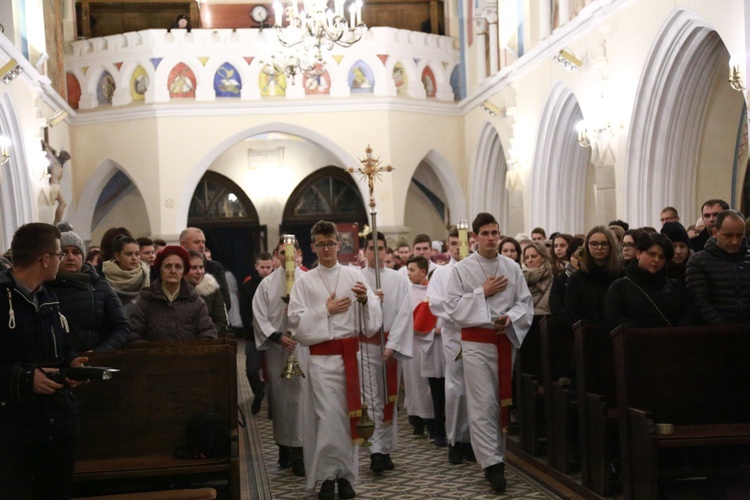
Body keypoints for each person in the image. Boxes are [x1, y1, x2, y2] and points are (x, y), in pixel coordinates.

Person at [287, 220, 381, 500]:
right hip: (322, 360)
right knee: (328, 419)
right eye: (321, 244)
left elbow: (371, 321)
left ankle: (346, 477)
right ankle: (328, 476)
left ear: (339, 245)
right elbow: (295, 324)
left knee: (350, 416)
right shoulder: (305, 282)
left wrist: (366, 301)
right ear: (313, 247)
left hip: (351, 357)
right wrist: (324, 310)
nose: (326, 248)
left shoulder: (355, 276)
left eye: (331, 243)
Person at [445, 212, 534, 493]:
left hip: (504, 340)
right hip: (476, 344)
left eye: (495, 232)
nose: (491, 238)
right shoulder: (462, 269)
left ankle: (497, 455)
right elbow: (452, 308)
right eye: (485, 234)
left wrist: (509, 317)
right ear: (474, 237)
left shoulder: (511, 266)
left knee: (500, 401)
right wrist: (482, 292)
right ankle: (492, 465)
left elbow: (525, 303)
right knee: (482, 403)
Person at [0, 223, 89, 498]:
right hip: (13, 429)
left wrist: (71, 365)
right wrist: (25, 379)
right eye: (60, 254)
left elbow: (63, 347)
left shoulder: (48, 295)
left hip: (57, 425)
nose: (62, 260)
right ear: (45, 259)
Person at [253, 238, 308, 476]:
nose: (287, 258)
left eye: (291, 253)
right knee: (280, 400)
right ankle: (284, 448)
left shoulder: (307, 281)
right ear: (276, 255)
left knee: (302, 401)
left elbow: (317, 311)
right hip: (278, 350)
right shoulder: (266, 285)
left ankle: (301, 452)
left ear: (297, 254)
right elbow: (259, 317)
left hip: (303, 347)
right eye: (282, 253)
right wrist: (277, 337)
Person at [360, 231, 413, 474]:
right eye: (371, 247)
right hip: (367, 346)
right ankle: (375, 451)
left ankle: (387, 447)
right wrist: (369, 301)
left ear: (386, 251)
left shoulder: (399, 279)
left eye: (380, 248)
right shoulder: (357, 278)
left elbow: (405, 313)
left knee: (389, 399)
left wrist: (393, 344)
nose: (376, 252)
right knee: (371, 400)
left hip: (391, 345)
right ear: (364, 251)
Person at [427, 226, 475, 465]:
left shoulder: (477, 269)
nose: (458, 247)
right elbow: (435, 304)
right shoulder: (441, 273)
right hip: (454, 333)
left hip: (478, 333)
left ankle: (473, 441)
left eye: (462, 242)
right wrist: (462, 311)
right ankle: (455, 439)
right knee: (456, 386)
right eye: (454, 243)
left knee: (478, 387)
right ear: (448, 245)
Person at [48, 231, 130, 353]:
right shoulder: (46, 288)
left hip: (96, 359)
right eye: (64, 253)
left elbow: (122, 328)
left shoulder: (100, 286)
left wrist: (100, 352)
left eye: (76, 253)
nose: (71, 258)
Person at [604, 233, 692, 330]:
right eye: (652, 254)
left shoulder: (676, 286)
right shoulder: (620, 287)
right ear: (638, 254)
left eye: (661, 257)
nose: (656, 260)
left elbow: (690, 315)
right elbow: (613, 318)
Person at [129, 246, 217, 341]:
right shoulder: (145, 301)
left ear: (184, 272)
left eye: (178, 267)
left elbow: (207, 333)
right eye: (168, 266)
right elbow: (134, 335)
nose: (173, 271)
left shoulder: (195, 302)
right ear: (161, 270)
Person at [686, 210, 750, 325]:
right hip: (716, 333)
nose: (735, 241)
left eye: (739, 236)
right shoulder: (699, 261)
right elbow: (701, 302)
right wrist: (723, 328)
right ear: (715, 232)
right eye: (728, 235)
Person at [407, 255, 444, 447]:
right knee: (418, 386)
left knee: (437, 390)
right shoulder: (408, 291)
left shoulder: (434, 294)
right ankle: (421, 421)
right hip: (417, 345)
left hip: (442, 347)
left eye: (412, 270)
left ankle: (438, 426)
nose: (408, 274)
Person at [239, 251, 274, 415]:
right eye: (262, 267)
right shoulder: (248, 286)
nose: (265, 270)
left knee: (274, 372)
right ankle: (259, 393)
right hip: (254, 335)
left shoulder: (277, 284)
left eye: (268, 267)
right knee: (251, 370)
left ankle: (274, 404)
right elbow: (245, 312)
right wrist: (258, 328)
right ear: (256, 267)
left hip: (275, 336)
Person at [565, 226, 624, 324]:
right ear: (587, 246)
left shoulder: (622, 275)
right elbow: (572, 313)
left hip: (618, 331)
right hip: (588, 333)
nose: (599, 248)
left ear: (611, 246)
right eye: (594, 244)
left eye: (604, 244)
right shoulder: (576, 278)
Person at [179, 227, 231, 310]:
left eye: (203, 242)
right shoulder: (175, 266)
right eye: (196, 242)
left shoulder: (215, 267)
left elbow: (226, 302)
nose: (202, 246)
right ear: (183, 245)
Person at [102, 235, 150, 314]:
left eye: (137, 254)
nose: (134, 258)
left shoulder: (146, 275)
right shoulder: (103, 277)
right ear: (117, 256)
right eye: (129, 254)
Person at [186, 250, 229, 335]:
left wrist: (207, 334)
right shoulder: (176, 290)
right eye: (194, 268)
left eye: (201, 267)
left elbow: (221, 322)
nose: (199, 272)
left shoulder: (211, 288)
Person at [548, 238, 584, 316]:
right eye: (575, 256)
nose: (579, 259)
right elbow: (556, 308)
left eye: (582, 255)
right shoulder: (560, 280)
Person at [522, 241, 554, 315]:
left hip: (545, 322)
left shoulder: (553, 280)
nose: (529, 260)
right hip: (524, 323)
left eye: (534, 256)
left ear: (543, 257)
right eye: (527, 257)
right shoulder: (520, 279)